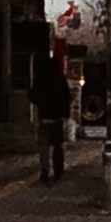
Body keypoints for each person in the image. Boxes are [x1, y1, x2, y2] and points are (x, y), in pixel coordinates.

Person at [33, 53, 72, 183]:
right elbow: (67, 97)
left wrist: (40, 103)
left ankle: (44, 171)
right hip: (57, 118)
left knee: (43, 146)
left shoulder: (41, 79)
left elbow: (33, 94)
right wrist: (66, 115)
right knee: (57, 145)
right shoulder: (60, 79)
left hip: (44, 116)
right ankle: (58, 170)